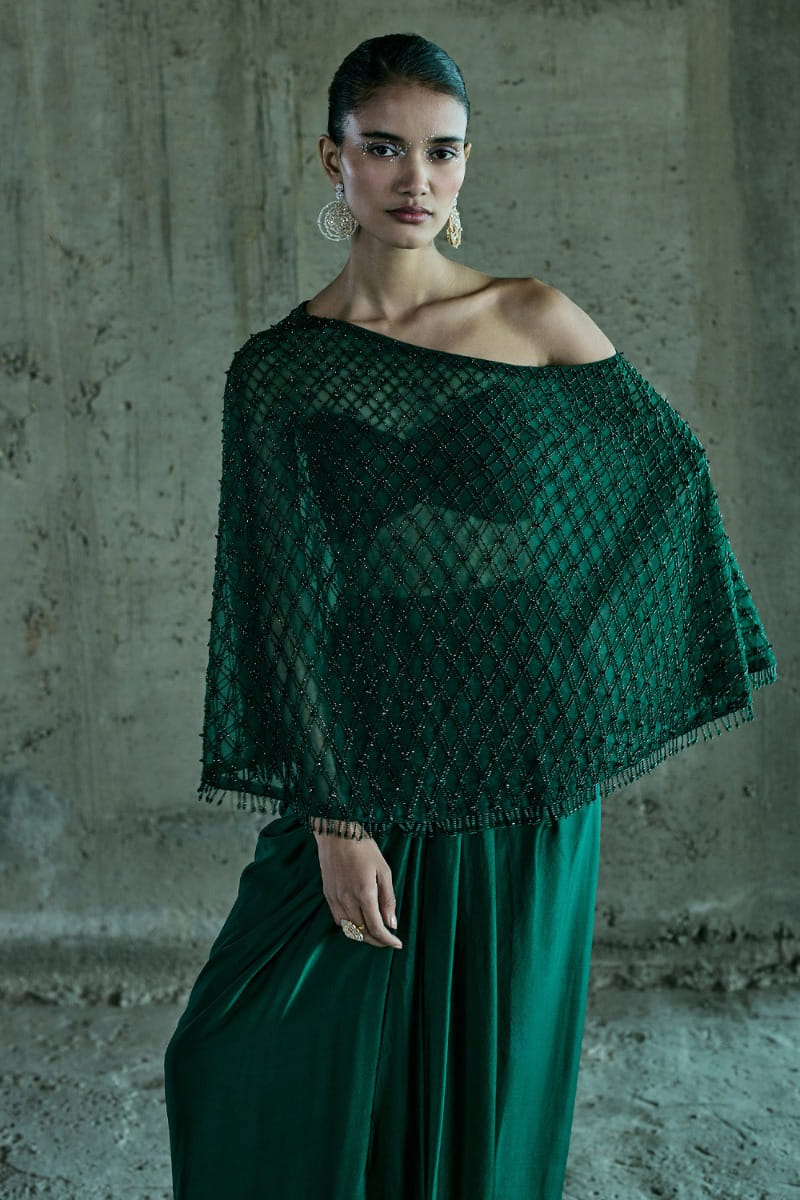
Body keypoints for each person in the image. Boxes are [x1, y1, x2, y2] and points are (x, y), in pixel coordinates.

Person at [163, 33, 776, 1200]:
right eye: (383, 148)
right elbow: (275, 606)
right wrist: (332, 817)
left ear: (465, 164)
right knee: (228, 1047)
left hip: (525, 713)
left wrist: (566, 648)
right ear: (332, 161)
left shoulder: (530, 315)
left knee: (491, 1054)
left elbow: (669, 479)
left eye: (441, 152)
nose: (415, 179)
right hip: (369, 711)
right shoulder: (278, 372)